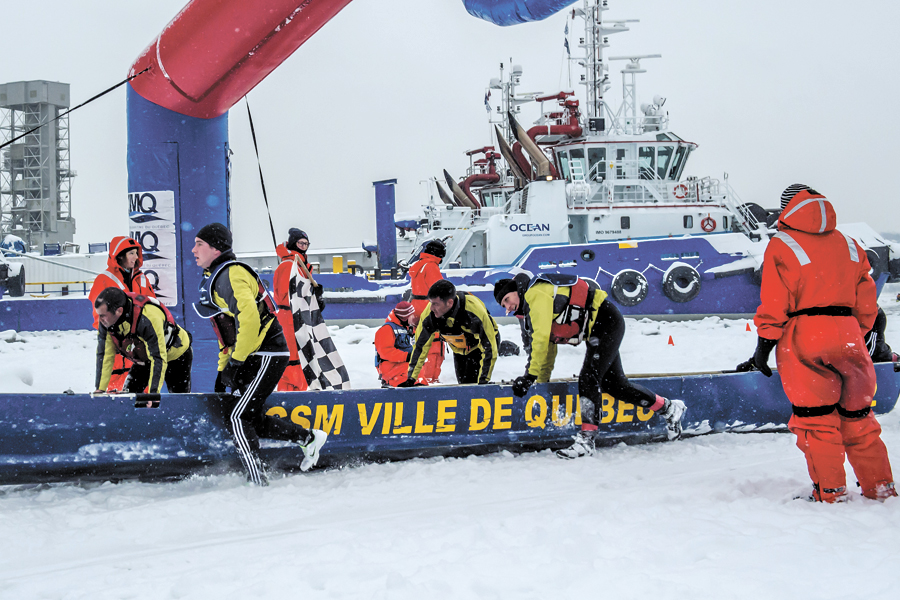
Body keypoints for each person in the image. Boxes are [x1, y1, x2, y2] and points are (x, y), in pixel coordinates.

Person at [738, 184, 896, 503]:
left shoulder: (781, 244)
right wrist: (853, 333)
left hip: (805, 337)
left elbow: (773, 303)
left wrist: (763, 347)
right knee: (860, 420)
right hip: (850, 335)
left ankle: (831, 493)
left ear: (786, 210)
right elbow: (868, 303)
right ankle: (880, 490)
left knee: (816, 422)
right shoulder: (850, 244)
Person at [494, 273, 687, 459]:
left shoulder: (534, 293)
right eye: (504, 306)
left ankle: (586, 442)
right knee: (615, 385)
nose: (508, 308)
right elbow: (549, 349)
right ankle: (669, 409)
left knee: (589, 378)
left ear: (516, 291)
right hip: (601, 328)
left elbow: (541, 339)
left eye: (507, 300)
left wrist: (529, 376)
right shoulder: (531, 304)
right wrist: (540, 382)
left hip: (605, 322)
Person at [191, 223, 327, 485]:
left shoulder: (230, 275)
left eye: (199, 244)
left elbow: (250, 322)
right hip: (254, 353)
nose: (193, 250)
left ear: (215, 248)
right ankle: (308, 438)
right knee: (250, 417)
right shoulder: (214, 277)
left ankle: (258, 481)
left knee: (237, 417)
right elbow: (225, 331)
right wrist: (223, 369)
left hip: (267, 352)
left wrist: (237, 361)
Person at [88, 236, 157, 392]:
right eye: (131, 253)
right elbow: (99, 317)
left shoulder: (143, 280)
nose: (136, 257)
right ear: (119, 255)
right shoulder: (103, 280)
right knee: (115, 393)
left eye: (136, 253)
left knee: (142, 394)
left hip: (141, 345)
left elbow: (153, 309)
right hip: (116, 345)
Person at [93, 287, 192, 394]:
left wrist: (153, 393)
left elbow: (158, 357)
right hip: (144, 359)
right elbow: (105, 355)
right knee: (129, 398)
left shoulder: (148, 319)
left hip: (176, 355)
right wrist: (100, 389)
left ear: (119, 311)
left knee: (179, 401)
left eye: (103, 315)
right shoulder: (106, 322)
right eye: (99, 315)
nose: (100, 319)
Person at [404, 280, 499, 386]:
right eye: (430, 303)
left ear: (450, 303)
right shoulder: (430, 315)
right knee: (463, 384)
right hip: (459, 346)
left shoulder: (473, 312)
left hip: (482, 344)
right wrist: (411, 379)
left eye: (435, 304)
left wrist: (483, 381)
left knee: (471, 384)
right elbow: (420, 347)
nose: (431, 308)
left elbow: (489, 347)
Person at [272, 231, 310, 392]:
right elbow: (286, 296)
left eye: (306, 244)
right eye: (300, 243)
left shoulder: (298, 264)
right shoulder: (289, 265)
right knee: (293, 362)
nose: (303, 247)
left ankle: (291, 397)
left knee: (297, 361)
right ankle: (291, 398)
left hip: (296, 317)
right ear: (293, 243)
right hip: (290, 320)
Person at [408, 239, 446, 382]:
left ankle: (418, 374)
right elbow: (440, 290)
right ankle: (430, 377)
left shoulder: (417, 265)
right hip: (428, 308)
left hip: (415, 308)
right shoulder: (431, 266)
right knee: (434, 343)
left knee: (419, 342)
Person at [374, 301, 418, 387]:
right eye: (411, 315)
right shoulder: (386, 330)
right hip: (392, 368)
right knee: (413, 374)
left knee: (418, 373)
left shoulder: (407, 328)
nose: (414, 317)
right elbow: (386, 352)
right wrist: (408, 357)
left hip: (402, 367)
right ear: (404, 317)